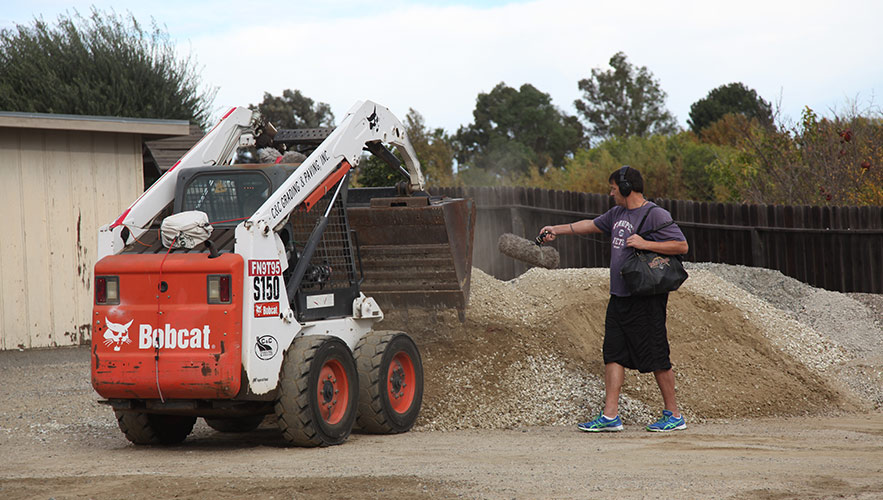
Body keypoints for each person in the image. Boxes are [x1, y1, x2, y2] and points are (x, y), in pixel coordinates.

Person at [539, 165, 689, 433]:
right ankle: (610, 416)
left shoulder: (655, 214)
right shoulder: (617, 213)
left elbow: (681, 246)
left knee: (656, 354)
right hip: (619, 296)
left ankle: (674, 415)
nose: (610, 193)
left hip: (646, 298)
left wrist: (646, 244)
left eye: (612, 188)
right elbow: (590, 224)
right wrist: (556, 230)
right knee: (613, 353)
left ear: (626, 188)